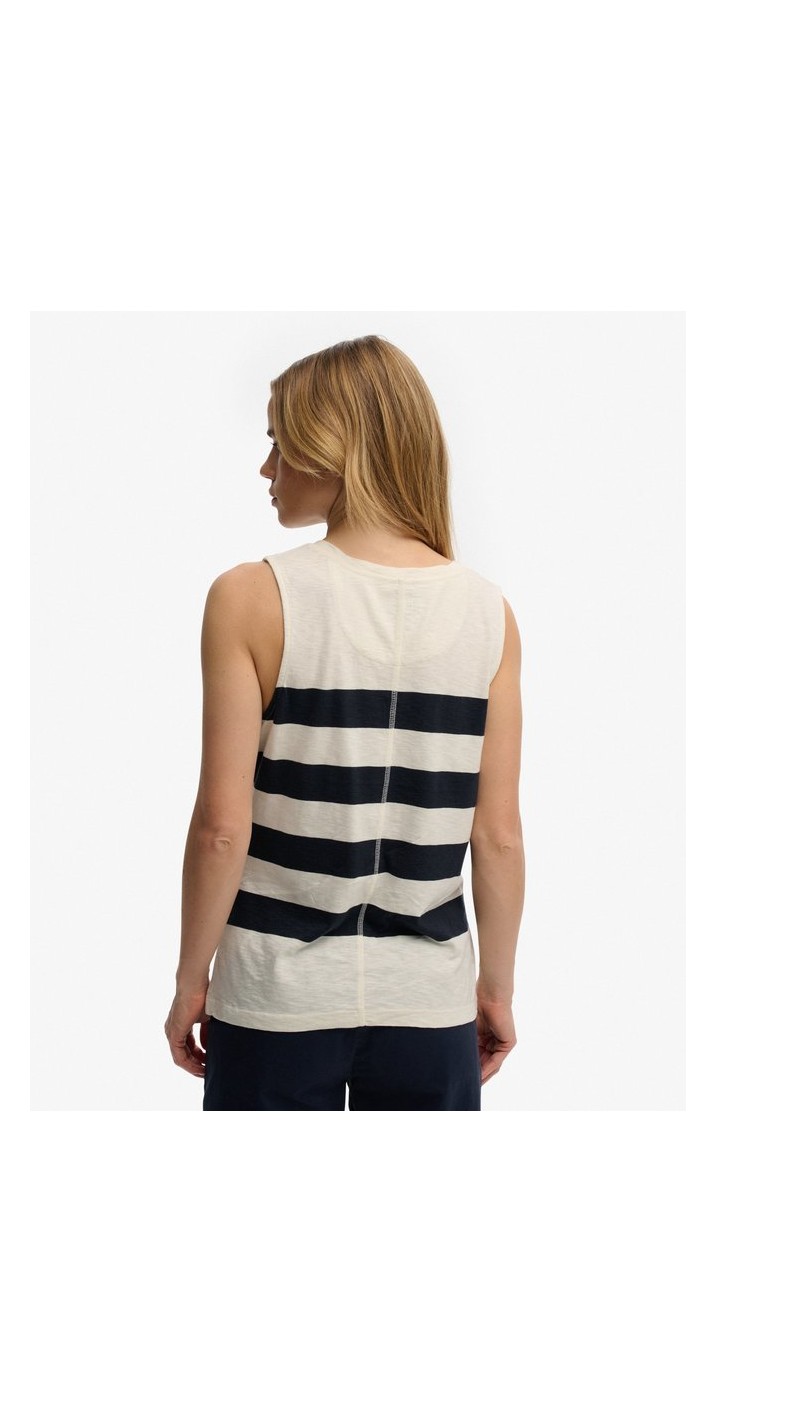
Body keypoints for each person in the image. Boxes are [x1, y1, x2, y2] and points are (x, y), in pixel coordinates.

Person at [163, 335, 525, 1110]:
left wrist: (192, 980)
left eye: (279, 442)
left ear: (334, 448)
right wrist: (495, 990)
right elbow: (497, 836)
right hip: (429, 1003)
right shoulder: (488, 613)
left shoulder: (251, 597)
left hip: (275, 998)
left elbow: (222, 828)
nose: (267, 469)